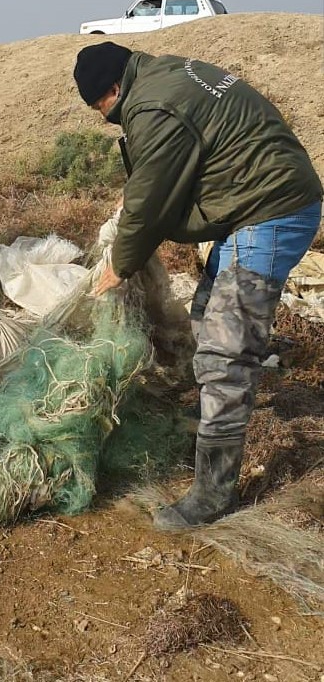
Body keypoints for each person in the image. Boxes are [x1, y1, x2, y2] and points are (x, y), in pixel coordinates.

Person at [73, 41, 323, 530]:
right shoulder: (166, 76)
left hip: (271, 210)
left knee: (225, 357)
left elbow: (150, 199)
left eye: (104, 109)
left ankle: (213, 494)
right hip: (254, 202)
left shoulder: (151, 105)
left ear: (115, 89)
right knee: (207, 321)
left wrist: (120, 265)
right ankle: (215, 422)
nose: (108, 118)